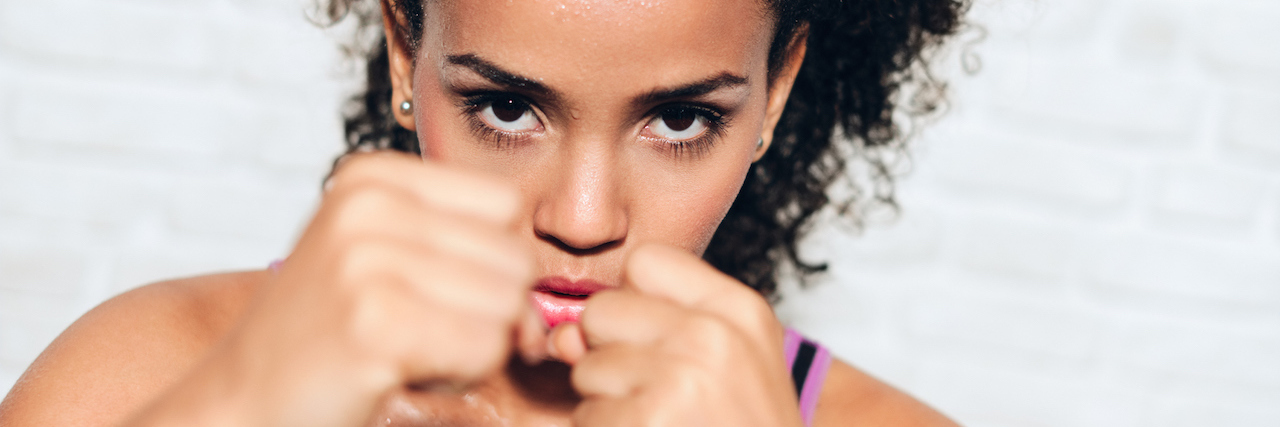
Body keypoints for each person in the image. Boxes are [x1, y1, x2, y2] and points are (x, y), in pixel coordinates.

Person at [0, 0, 968, 425]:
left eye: (679, 119)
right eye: (506, 107)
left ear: (776, 92)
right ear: (401, 55)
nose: (582, 217)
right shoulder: (151, 372)